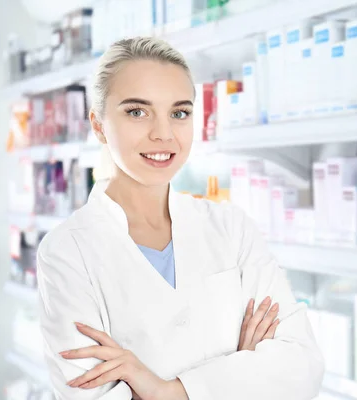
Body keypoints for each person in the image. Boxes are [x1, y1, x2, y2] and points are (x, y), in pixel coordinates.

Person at [37, 36, 324, 400]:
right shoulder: (67, 252)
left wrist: (165, 391)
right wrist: (243, 368)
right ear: (98, 124)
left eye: (179, 112)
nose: (163, 133)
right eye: (137, 111)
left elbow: (302, 367)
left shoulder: (231, 228)